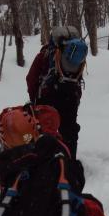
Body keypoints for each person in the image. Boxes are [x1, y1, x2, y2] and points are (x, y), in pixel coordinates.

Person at [26, 25, 87, 159]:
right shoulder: (74, 56)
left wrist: (34, 99)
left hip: (48, 97)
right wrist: (76, 100)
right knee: (69, 131)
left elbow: (31, 78)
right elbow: (78, 79)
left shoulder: (44, 55)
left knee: (46, 130)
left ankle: (46, 163)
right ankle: (69, 162)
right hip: (70, 97)